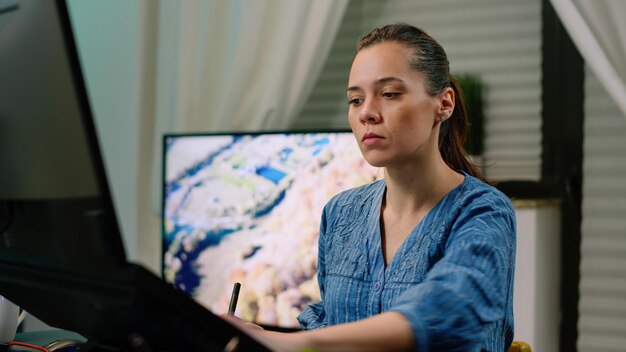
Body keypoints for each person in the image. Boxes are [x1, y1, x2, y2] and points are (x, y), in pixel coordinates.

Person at [225, 23, 516, 352]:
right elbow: (329, 319)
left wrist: (290, 343)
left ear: (444, 104)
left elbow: (448, 313)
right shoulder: (340, 213)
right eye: (355, 99)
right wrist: (257, 338)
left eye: (389, 94)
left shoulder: (484, 211)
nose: (366, 113)